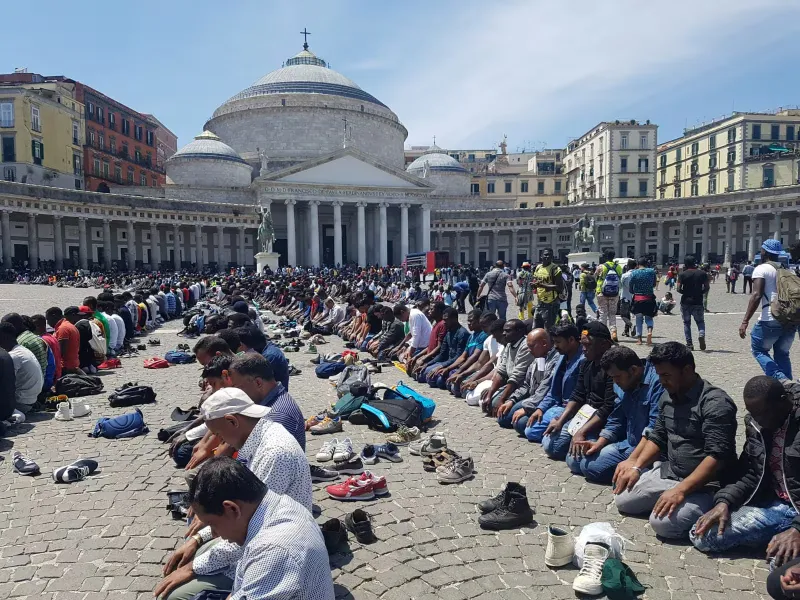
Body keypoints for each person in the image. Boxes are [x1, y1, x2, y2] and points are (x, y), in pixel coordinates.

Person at [156, 388, 313, 600]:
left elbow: (250, 530)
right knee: (197, 551)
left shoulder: (274, 454)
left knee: (174, 595)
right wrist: (197, 538)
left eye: (219, 435)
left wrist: (192, 568)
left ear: (232, 421)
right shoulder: (262, 434)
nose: (220, 442)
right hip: (263, 539)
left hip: (271, 556)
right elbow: (243, 520)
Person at [156, 457, 333, 600]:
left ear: (232, 508)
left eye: (213, 525)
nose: (215, 533)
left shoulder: (273, 550)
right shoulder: (277, 504)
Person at [613, 342, 738, 539]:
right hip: (671, 472)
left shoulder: (715, 403)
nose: (661, 381)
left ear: (687, 370)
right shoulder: (668, 396)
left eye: (666, 375)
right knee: (623, 500)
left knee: (662, 524)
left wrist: (681, 490)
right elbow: (658, 437)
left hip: (706, 484)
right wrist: (636, 467)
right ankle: (667, 499)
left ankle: (709, 507)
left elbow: (717, 456)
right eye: (659, 375)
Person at [691, 377, 800, 569]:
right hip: (775, 504)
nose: (758, 420)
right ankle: (775, 536)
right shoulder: (757, 424)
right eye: (752, 413)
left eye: (763, 413)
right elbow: (750, 472)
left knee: (782, 569)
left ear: (783, 401)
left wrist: (797, 529)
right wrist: (724, 501)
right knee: (701, 536)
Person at [568, 346, 662, 484]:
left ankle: (643, 471)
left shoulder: (656, 383)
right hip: (629, 442)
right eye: (612, 377)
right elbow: (616, 418)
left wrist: (633, 460)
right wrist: (599, 443)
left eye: (617, 377)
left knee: (591, 467)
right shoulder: (619, 382)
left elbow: (653, 429)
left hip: (648, 446)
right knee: (574, 461)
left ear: (634, 370)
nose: (615, 382)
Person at [543, 321, 616, 462]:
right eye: (582, 344)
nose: (583, 349)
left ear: (604, 345)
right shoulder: (585, 363)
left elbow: (608, 406)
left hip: (601, 421)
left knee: (575, 462)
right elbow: (577, 394)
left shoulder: (612, 368)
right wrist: (561, 420)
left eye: (588, 345)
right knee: (551, 446)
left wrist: (582, 431)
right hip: (584, 415)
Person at [740, 239, 798, 381]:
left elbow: (756, 295)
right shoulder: (788, 270)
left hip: (771, 317)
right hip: (790, 319)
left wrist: (745, 321)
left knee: (758, 349)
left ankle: (782, 381)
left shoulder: (761, 269)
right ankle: (792, 390)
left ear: (764, 251)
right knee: (782, 354)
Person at [523, 323, 584, 443]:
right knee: (528, 430)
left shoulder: (583, 360)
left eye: (558, 342)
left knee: (553, 446)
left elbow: (579, 396)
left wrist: (561, 418)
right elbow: (552, 389)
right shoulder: (562, 356)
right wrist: (541, 408)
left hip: (571, 409)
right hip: (555, 405)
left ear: (571, 340)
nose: (555, 346)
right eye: (554, 342)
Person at [496, 328, 558, 434]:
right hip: (532, 398)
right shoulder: (537, 359)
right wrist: (512, 400)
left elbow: (544, 389)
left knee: (520, 424)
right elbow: (526, 385)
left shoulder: (555, 360)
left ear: (544, 343)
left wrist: (526, 409)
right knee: (503, 417)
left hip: (544, 402)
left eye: (531, 346)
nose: (529, 350)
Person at [483, 319, 534, 415]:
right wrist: (490, 394)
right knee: (487, 400)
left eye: (508, 331)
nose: (503, 333)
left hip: (522, 387)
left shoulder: (525, 346)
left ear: (519, 332)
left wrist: (502, 399)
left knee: (499, 410)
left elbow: (516, 377)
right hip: (510, 383)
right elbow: (501, 371)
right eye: (503, 330)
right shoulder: (509, 345)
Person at [419, 307, 469, 387]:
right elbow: (442, 354)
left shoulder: (462, 334)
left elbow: (458, 357)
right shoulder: (449, 332)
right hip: (447, 362)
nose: (444, 322)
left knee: (437, 380)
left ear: (454, 319)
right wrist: (428, 364)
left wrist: (442, 366)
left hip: (455, 364)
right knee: (421, 374)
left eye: (446, 320)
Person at [0, 321, 42, 414]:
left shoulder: (13, 356)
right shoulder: (22, 350)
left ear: (4, 337)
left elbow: (5, 385)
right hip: (31, 399)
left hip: (22, 403)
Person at [677, 255, 709, 351]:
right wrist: (700, 293)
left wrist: (686, 293)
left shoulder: (682, 274)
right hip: (698, 301)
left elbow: (678, 288)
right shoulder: (702, 273)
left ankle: (689, 344)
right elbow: (707, 287)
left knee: (687, 323)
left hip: (686, 301)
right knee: (700, 321)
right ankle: (701, 334)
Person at [630, 257, 658, 346]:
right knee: (649, 318)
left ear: (638, 264)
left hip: (638, 299)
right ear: (646, 264)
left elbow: (631, 286)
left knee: (638, 319)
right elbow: (654, 284)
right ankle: (649, 331)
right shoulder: (651, 271)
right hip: (649, 298)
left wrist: (633, 291)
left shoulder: (634, 272)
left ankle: (639, 339)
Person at [532, 249, 564, 330]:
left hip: (551, 303)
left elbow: (560, 287)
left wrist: (542, 285)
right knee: (536, 328)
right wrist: (534, 285)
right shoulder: (538, 267)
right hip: (540, 301)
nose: (547, 256)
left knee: (548, 329)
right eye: (545, 255)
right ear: (541, 256)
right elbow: (536, 281)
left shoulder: (555, 269)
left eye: (550, 255)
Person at [594, 251, 622, 340]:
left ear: (605, 257)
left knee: (603, 313)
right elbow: (620, 277)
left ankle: (602, 333)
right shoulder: (618, 267)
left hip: (601, 292)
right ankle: (613, 332)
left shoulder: (601, 267)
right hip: (615, 293)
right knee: (612, 313)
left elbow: (595, 277)